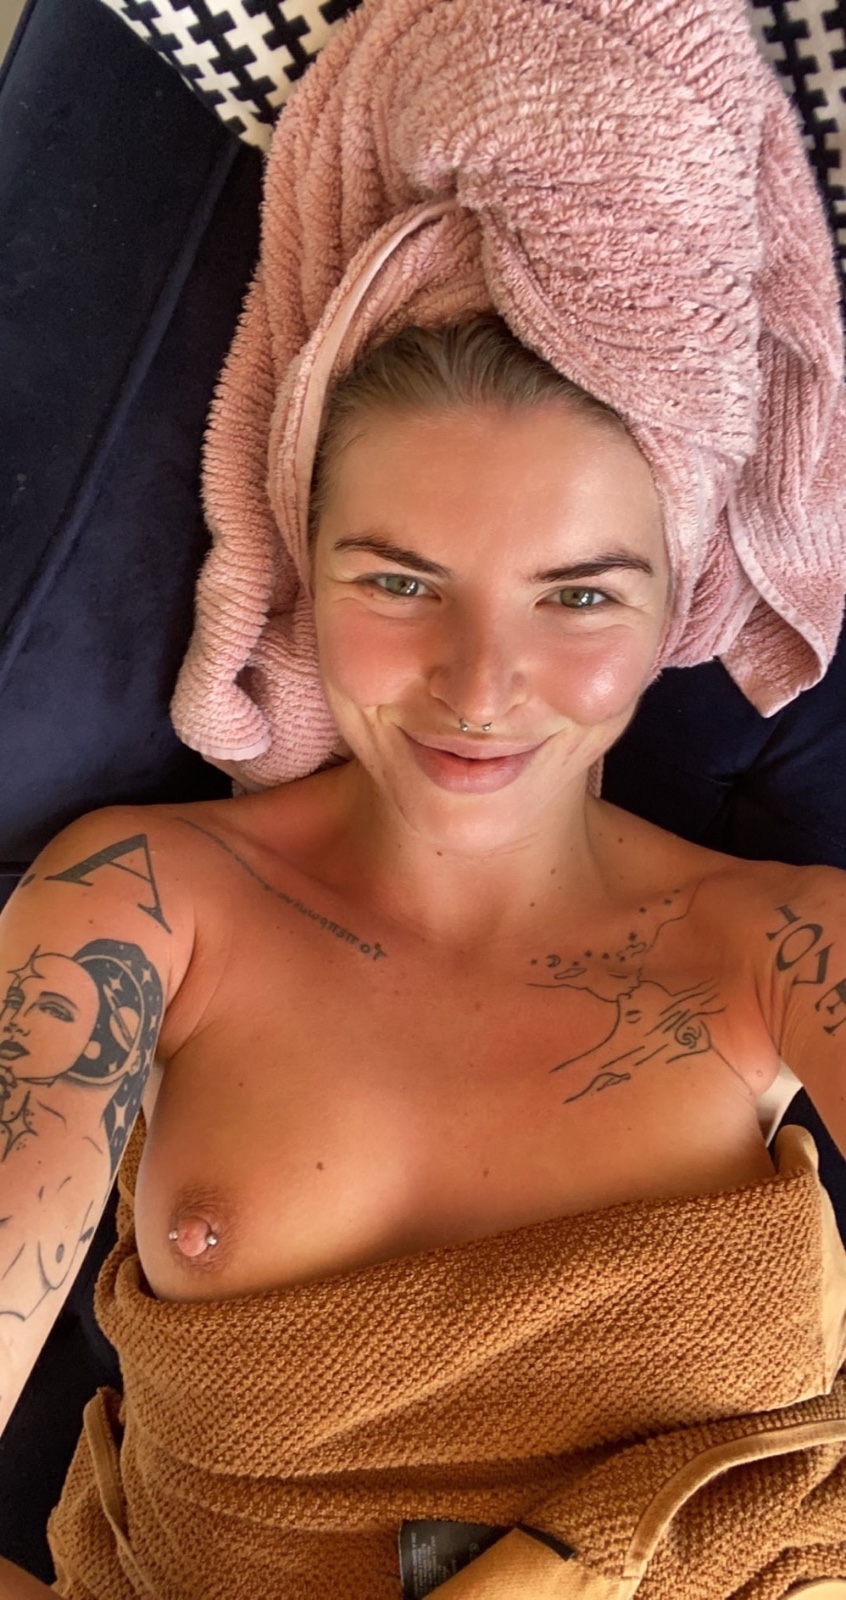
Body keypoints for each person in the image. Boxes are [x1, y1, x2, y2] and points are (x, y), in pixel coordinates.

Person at [2, 314, 846, 1599]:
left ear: (675, 605)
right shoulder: (138, 901)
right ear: (306, 568)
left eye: (579, 596)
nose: (480, 687)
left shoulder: (789, 944)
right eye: (400, 583)